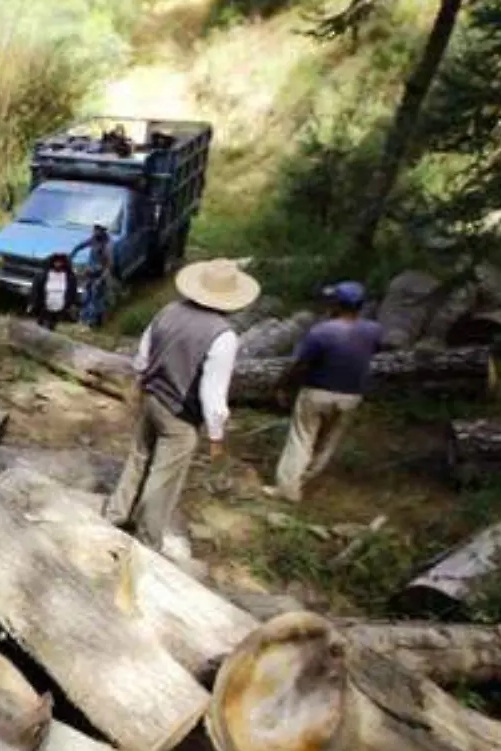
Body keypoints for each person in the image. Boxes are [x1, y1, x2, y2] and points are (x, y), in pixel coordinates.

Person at [103, 259, 260, 557]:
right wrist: (216, 436)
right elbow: (212, 395)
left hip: (152, 398)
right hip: (181, 416)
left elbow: (142, 357)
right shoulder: (223, 336)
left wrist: (141, 384)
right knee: (164, 479)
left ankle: (115, 514)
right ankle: (147, 542)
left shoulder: (168, 311)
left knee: (138, 458)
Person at [267, 281, 383, 502]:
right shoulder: (373, 330)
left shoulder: (321, 332)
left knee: (301, 439)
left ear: (337, 305)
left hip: (316, 392)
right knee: (327, 442)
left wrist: (283, 386)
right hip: (351, 395)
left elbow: (300, 364)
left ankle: (287, 489)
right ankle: (305, 480)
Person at [29, 252, 75, 329]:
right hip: (45, 305)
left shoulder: (70, 277)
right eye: (56, 261)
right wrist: (33, 303)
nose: (58, 264)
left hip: (60, 306)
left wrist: (69, 305)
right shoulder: (43, 275)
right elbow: (36, 290)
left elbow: (72, 293)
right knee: (41, 324)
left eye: (60, 262)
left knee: (52, 325)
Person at [80, 225, 114, 327]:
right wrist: (72, 253)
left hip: (99, 275)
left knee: (96, 298)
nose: (94, 232)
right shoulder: (93, 240)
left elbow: (109, 265)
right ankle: (85, 320)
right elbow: (81, 245)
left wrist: (101, 278)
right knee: (86, 296)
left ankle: (95, 321)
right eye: (94, 230)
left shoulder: (107, 246)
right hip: (90, 273)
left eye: (97, 230)